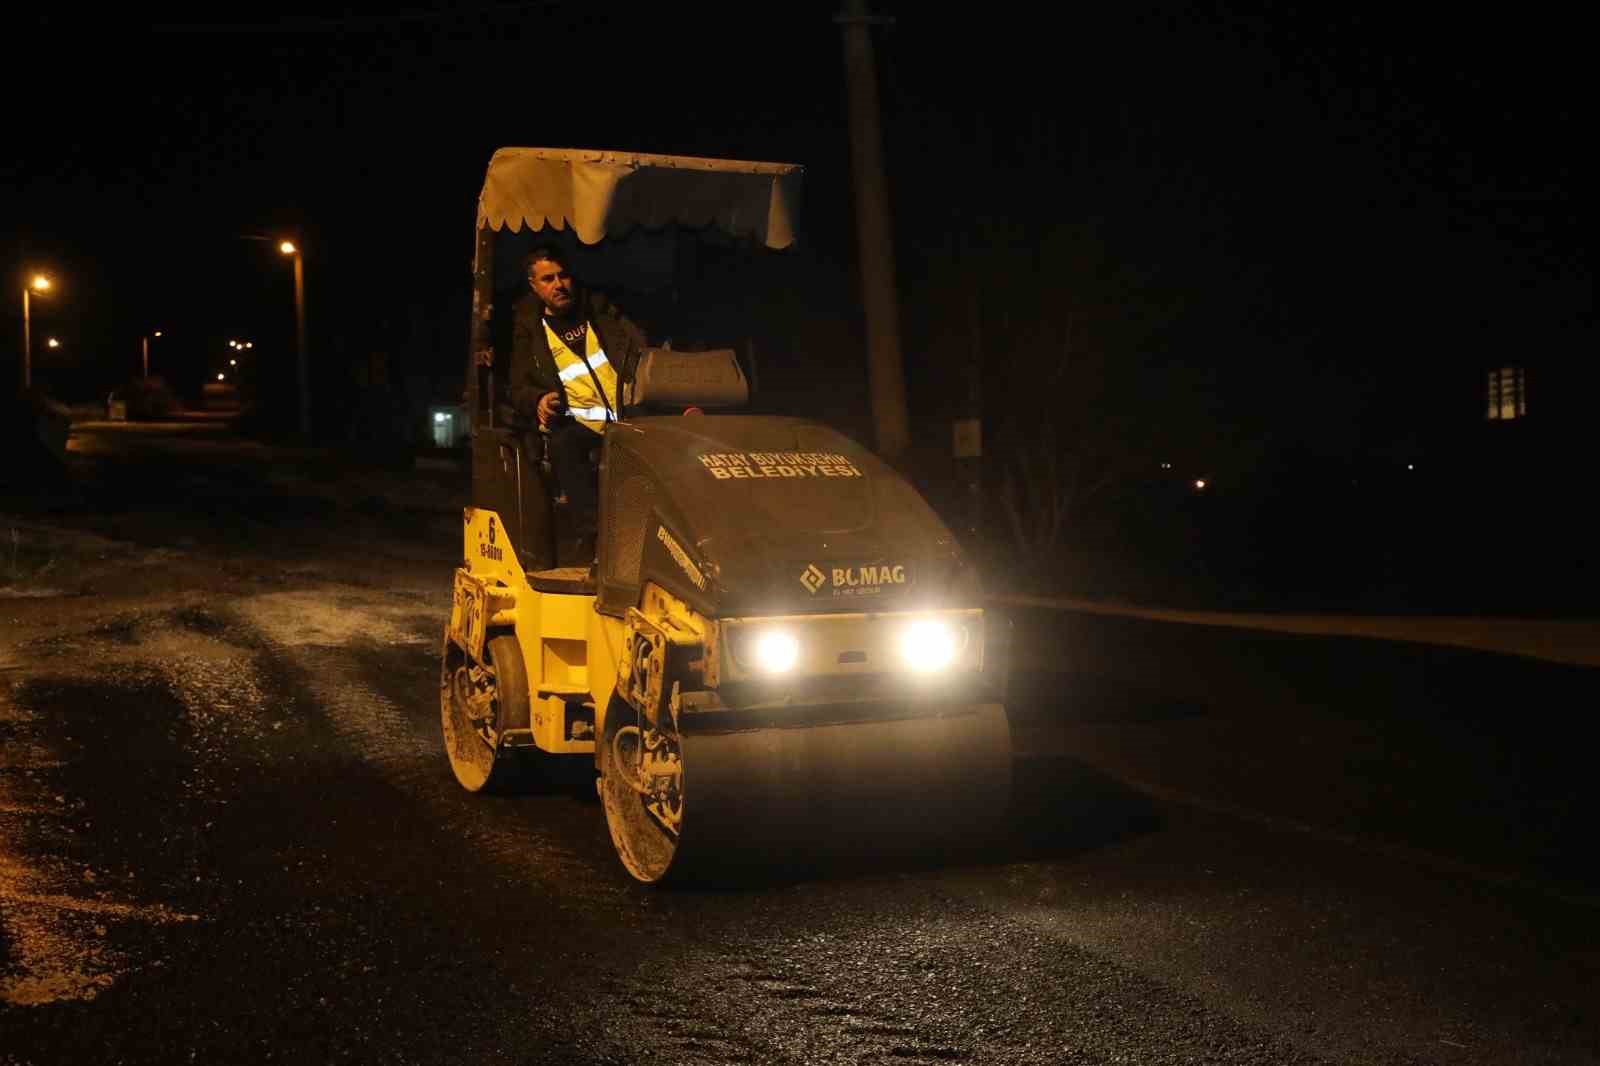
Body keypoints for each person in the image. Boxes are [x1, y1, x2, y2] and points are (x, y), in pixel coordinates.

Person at [507, 246, 648, 558]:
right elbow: (518, 388)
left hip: (630, 416)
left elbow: (641, 351)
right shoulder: (530, 333)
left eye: (563, 275)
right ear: (534, 286)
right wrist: (539, 400)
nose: (559, 284)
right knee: (562, 443)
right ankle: (596, 537)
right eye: (548, 279)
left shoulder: (599, 312)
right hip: (581, 424)